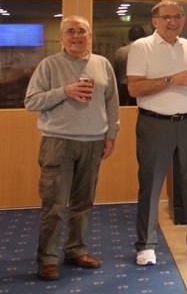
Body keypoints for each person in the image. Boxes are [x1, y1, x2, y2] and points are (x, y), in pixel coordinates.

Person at [24, 15, 119, 281]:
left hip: (93, 143)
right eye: (70, 31)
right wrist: (64, 91)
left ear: (90, 35)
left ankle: (76, 249)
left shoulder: (102, 64)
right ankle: (48, 259)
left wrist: (111, 135)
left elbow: (112, 103)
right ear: (62, 37)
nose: (77, 36)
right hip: (58, 143)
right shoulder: (49, 65)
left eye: (82, 31)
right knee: (54, 205)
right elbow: (31, 101)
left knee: (83, 203)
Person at [127, 0, 187, 266]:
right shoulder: (141, 47)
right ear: (155, 21)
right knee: (151, 187)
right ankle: (146, 245)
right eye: (166, 17)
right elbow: (133, 88)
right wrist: (170, 80)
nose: (173, 21)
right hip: (154, 124)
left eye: (177, 16)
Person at [113, 24, 146, 105]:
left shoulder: (121, 51)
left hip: (123, 87)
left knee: (123, 112)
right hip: (140, 87)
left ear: (129, 36)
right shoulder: (146, 52)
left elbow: (116, 71)